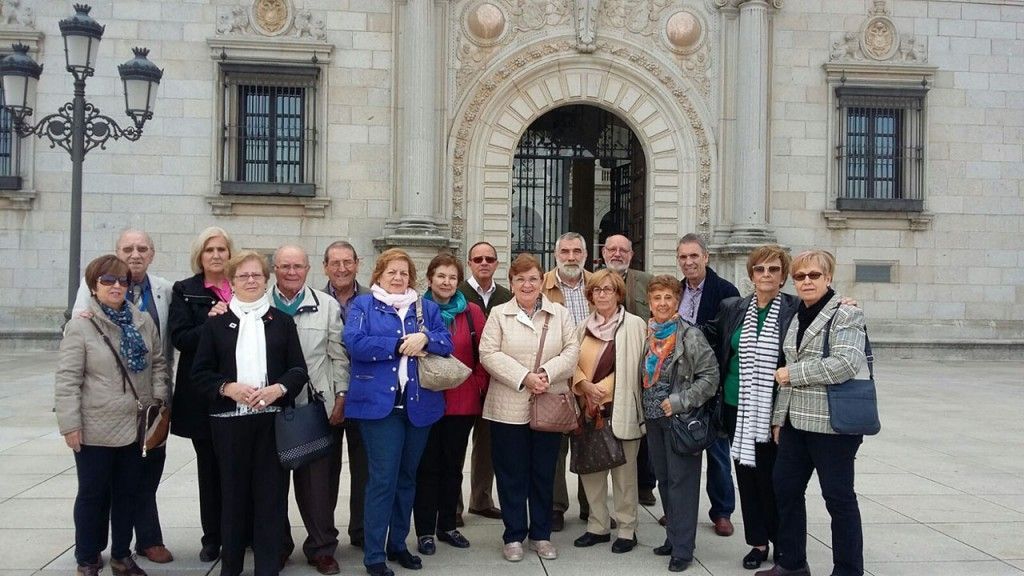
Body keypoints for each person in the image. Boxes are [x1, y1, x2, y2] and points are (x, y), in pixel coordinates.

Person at [191, 250, 307, 576]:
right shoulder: (216, 325)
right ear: (232, 282)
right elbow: (199, 374)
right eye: (244, 276)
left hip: (271, 424)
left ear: (266, 280)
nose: (251, 280)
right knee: (232, 498)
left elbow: (298, 370)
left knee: (270, 499)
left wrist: (278, 389)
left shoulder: (281, 322)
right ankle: (231, 567)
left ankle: (267, 568)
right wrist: (228, 387)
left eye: (257, 275)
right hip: (229, 426)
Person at [56, 255, 170, 576]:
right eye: (108, 281)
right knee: (92, 494)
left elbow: (158, 362)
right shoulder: (80, 326)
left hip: (135, 426)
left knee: (127, 494)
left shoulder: (142, 321)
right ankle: (88, 555)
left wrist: (158, 398)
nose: (116, 286)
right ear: (94, 286)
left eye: (122, 280)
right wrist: (69, 424)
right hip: (95, 426)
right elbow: (67, 380)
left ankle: (121, 554)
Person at [342, 249, 454, 576]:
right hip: (380, 409)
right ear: (378, 275)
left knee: (407, 478)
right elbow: (355, 343)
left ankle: (398, 544)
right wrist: (396, 344)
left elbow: (447, 343)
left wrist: (426, 338)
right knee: (383, 480)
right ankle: (374, 554)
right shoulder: (363, 305)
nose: (398, 278)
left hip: (419, 406)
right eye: (391, 272)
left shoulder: (426, 308)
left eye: (404, 273)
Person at [756, 250, 867, 576]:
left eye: (814, 275)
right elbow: (787, 368)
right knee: (786, 491)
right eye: (800, 276)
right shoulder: (796, 314)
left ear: (828, 277)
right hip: (794, 424)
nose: (806, 281)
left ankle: (848, 571)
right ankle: (791, 564)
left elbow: (846, 364)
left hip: (831, 426)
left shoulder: (845, 314)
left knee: (838, 499)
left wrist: (795, 374)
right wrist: (779, 419)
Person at [702, 245, 798, 570]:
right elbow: (709, 333)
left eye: (773, 269)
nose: (766, 275)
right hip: (735, 408)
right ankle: (758, 542)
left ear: (783, 275)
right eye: (760, 269)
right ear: (751, 274)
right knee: (746, 478)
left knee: (775, 481)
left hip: (773, 414)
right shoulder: (734, 307)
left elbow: (824, 318)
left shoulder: (794, 310)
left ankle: (783, 543)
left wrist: (844, 304)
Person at [480, 253, 580, 563]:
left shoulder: (559, 314)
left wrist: (546, 375)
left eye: (533, 278)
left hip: (548, 403)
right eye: (520, 279)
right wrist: (524, 377)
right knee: (511, 473)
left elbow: (572, 350)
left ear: (542, 283)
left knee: (543, 473)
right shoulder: (498, 314)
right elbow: (488, 353)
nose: (527, 284)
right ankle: (513, 536)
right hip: (507, 406)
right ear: (510, 283)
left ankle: (540, 534)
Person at [271, 245, 350, 575]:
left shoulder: (327, 305)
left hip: (314, 408)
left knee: (318, 487)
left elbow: (338, 356)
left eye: (298, 266)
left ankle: (321, 548)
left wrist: (340, 397)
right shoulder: (258, 304)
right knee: (271, 485)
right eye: (285, 266)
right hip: (268, 410)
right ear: (275, 269)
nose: (292, 272)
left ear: (308, 269)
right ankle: (276, 545)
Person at [643, 275, 719, 572]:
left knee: (682, 484)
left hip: (679, 419)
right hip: (652, 419)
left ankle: (684, 549)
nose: (662, 303)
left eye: (668, 298)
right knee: (664, 479)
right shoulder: (648, 334)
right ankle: (673, 538)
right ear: (649, 303)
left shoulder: (690, 336)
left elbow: (710, 377)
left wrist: (679, 401)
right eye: (657, 298)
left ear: (677, 302)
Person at [413, 253, 488, 554]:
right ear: (429, 278)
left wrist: (476, 384)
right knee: (427, 467)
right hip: (426, 400)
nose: (446, 282)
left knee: (452, 467)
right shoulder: (415, 310)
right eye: (440, 276)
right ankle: (424, 531)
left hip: (461, 401)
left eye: (452, 277)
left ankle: (448, 525)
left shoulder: (471, 312)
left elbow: (485, 353)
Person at [167, 226, 234, 562]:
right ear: (200, 255)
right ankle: (213, 537)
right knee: (210, 469)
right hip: (203, 396)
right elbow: (181, 338)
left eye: (222, 249)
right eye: (210, 250)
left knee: (239, 468)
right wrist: (210, 320)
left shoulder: (242, 286)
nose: (216, 256)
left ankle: (240, 531)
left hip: (240, 394)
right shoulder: (186, 290)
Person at [570, 269, 646, 554]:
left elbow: (636, 365)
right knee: (592, 471)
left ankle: (627, 529)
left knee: (625, 475)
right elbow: (571, 362)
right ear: (590, 296)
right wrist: (584, 385)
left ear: (618, 294)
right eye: (597, 290)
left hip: (620, 407)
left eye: (608, 290)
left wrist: (602, 388)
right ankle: (598, 526)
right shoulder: (582, 327)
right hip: (588, 409)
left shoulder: (635, 325)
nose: (602, 294)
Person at [675, 233, 739, 536]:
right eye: (683, 257)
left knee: (717, 451)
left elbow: (730, 340)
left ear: (706, 257)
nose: (688, 262)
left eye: (694, 256)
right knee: (682, 452)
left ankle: (722, 511)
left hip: (711, 382)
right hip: (679, 384)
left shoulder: (726, 292)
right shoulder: (675, 291)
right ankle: (680, 509)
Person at [456, 241, 512, 525]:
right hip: (463, 381)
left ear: (496, 264)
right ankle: (453, 508)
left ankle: (481, 499)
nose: (484, 263)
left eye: (489, 258)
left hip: (495, 380)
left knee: (487, 444)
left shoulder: (506, 295)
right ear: (470, 263)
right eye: (478, 259)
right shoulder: (457, 293)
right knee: (455, 445)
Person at [541, 232, 593, 531]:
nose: (571, 257)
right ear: (556, 253)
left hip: (591, 376)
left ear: (585, 254)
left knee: (590, 443)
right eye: (565, 251)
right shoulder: (541, 285)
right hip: (557, 377)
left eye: (576, 251)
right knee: (556, 447)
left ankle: (591, 505)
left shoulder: (598, 283)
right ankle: (556, 506)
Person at [601, 233, 657, 508]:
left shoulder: (646, 282)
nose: (617, 254)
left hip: (640, 367)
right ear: (603, 253)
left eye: (623, 250)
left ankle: (645, 485)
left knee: (641, 428)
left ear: (631, 255)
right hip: (604, 368)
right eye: (612, 249)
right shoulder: (595, 282)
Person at [323, 240, 370, 549]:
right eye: (335, 263)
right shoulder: (314, 299)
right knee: (324, 472)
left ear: (357, 263)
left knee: (364, 469)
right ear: (325, 266)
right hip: (326, 397)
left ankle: (362, 532)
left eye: (347, 262)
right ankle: (324, 536)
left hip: (365, 395)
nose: (341, 268)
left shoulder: (373, 299)